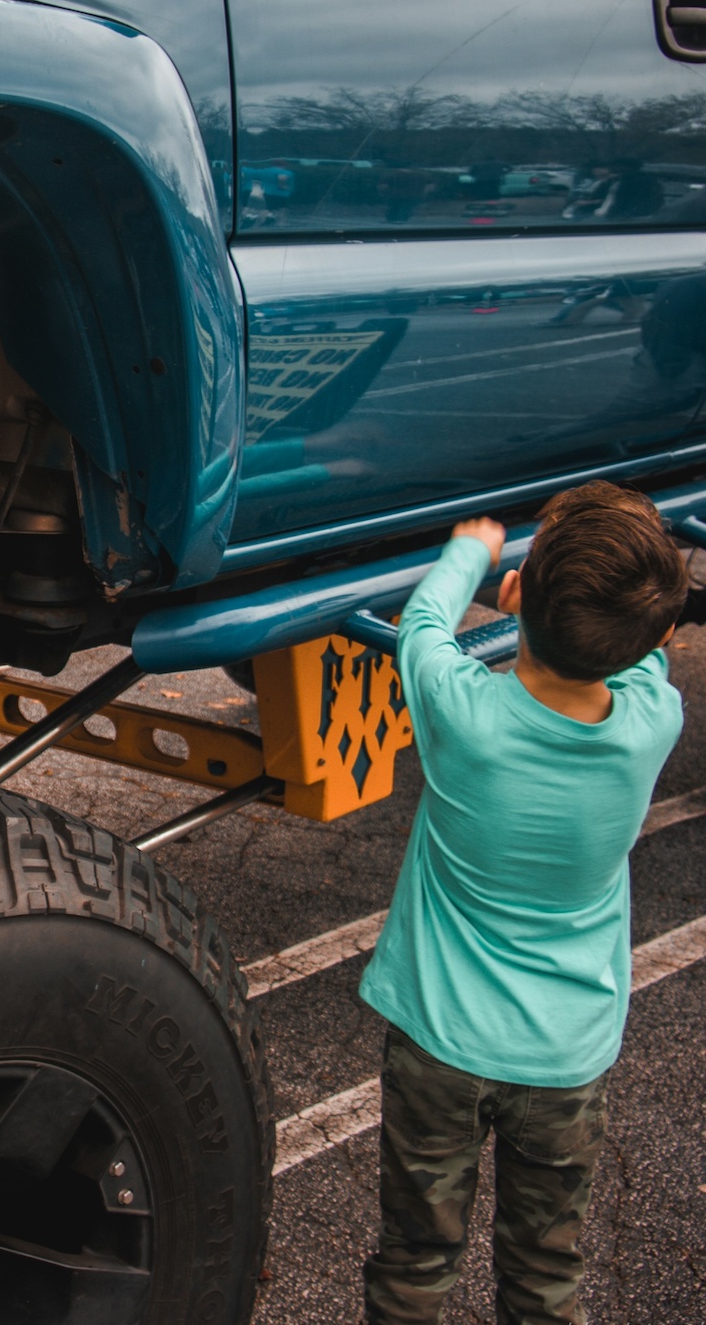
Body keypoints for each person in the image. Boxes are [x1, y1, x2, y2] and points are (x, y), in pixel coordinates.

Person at [359, 482, 689, 1325]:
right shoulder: (654, 722)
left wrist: (473, 550)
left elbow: (425, 626)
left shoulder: (464, 714)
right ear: (659, 638)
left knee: (415, 1261)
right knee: (546, 1273)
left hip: (440, 1043)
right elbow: (643, 649)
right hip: (566, 1059)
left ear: (515, 597)